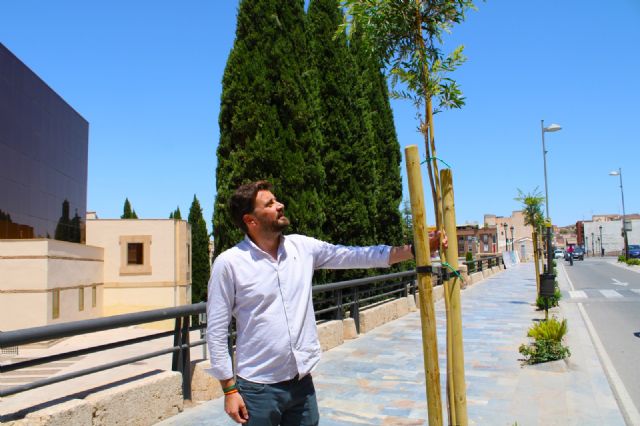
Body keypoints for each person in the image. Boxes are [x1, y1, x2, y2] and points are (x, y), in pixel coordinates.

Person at [206, 180, 442, 425]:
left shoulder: (302, 248)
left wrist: (416, 249)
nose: (280, 205)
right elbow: (216, 330)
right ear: (250, 220)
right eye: (270, 203)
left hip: (301, 383)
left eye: (276, 200)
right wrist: (229, 390)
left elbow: (355, 255)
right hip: (257, 389)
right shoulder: (230, 263)